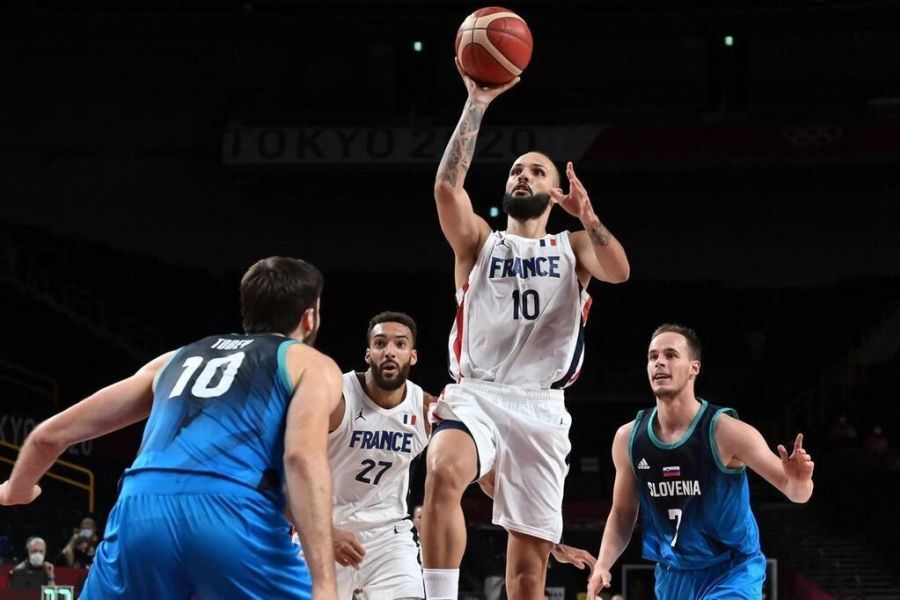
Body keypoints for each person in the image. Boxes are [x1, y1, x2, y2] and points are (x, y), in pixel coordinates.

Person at [0, 256, 342, 600]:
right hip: (232, 511)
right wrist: (325, 584)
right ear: (309, 317)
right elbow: (301, 458)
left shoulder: (174, 358)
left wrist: (17, 489)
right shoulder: (310, 363)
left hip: (140, 509)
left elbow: (50, 435)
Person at [422, 59, 630, 599]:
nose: (522, 175)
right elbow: (446, 189)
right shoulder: (480, 242)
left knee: (525, 579)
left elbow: (620, 271)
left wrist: (588, 218)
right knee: (443, 470)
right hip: (476, 393)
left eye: (537, 171)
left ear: (557, 190)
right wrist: (476, 104)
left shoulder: (573, 246)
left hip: (541, 408)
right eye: (516, 169)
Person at [587, 324, 815, 599]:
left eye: (671, 355)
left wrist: (800, 480)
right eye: (653, 356)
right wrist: (602, 564)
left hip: (732, 569)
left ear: (694, 368)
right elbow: (623, 513)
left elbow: (797, 493)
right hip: (673, 574)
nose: (659, 362)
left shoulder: (727, 432)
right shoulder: (628, 439)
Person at [328, 311, 434, 600]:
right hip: (326, 529)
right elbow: (288, 466)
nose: (389, 351)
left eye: (400, 344)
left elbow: (477, 468)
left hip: (388, 537)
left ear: (413, 356)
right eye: (380, 343)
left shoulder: (426, 409)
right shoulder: (336, 398)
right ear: (368, 354)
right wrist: (323, 530)